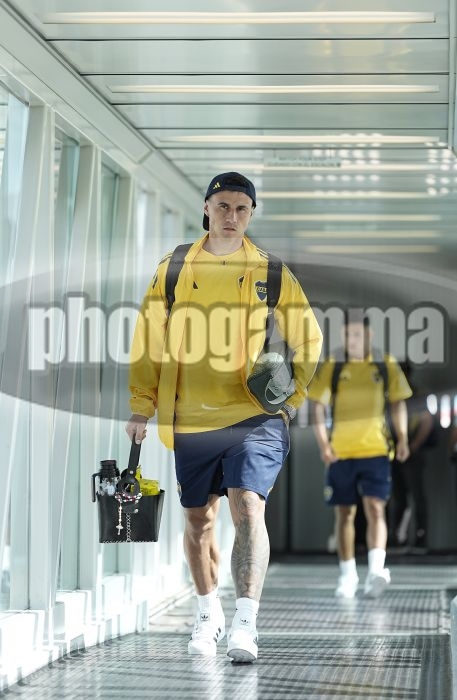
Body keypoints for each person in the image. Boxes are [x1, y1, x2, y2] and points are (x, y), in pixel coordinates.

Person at [125, 172, 322, 661]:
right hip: (189, 417)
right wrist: (141, 405)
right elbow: (148, 339)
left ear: (250, 214)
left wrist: (292, 399)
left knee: (248, 506)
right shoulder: (174, 268)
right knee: (199, 520)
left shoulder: (270, 271)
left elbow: (309, 337)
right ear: (207, 209)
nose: (231, 216)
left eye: (241, 208)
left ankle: (246, 622)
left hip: (254, 417)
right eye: (223, 206)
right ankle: (208, 612)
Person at [308, 310, 411, 599]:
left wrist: (403, 437)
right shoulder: (334, 366)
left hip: (376, 449)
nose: (351, 340)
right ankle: (347, 575)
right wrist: (323, 444)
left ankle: (376, 571)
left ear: (369, 335)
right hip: (341, 452)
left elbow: (398, 402)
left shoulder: (384, 364)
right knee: (344, 513)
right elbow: (317, 406)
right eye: (347, 335)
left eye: (356, 334)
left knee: (376, 508)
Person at [389, 362, 436, 552]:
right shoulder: (389, 394)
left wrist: (413, 446)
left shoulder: (419, 393)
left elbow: (427, 422)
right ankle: (398, 538)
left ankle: (420, 538)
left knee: (417, 495)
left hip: (414, 451)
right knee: (398, 497)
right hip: (393, 452)